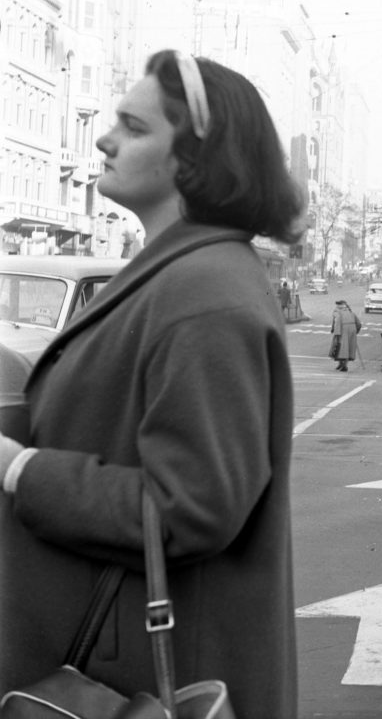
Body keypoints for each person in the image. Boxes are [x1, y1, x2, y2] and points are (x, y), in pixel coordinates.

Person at [0, 50, 303, 717]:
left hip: (136, 681)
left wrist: (22, 470)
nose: (105, 139)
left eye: (134, 128)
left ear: (194, 159)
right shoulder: (182, 275)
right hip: (112, 658)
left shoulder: (205, 294)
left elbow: (190, 507)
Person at [331, 299, 361, 373]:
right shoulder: (351, 312)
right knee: (349, 348)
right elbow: (359, 324)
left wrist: (336, 332)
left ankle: (343, 365)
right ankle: (343, 364)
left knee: (341, 347)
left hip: (342, 329)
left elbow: (336, 322)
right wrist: (356, 331)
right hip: (352, 329)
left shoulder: (337, 312)